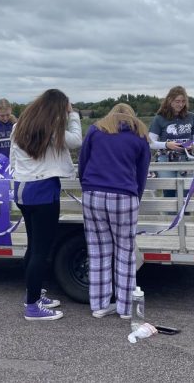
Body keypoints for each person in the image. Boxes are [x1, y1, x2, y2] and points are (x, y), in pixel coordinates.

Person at [10, 88, 82, 321]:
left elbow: (12, 159)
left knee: (33, 246)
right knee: (41, 250)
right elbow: (76, 140)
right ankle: (32, 307)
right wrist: (73, 115)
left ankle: (33, 293)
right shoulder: (51, 129)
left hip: (22, 188)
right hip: (43, 191)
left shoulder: (18, 126)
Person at [77, 103, 151, 319]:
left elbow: (83, 163)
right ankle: (126, 308)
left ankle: (99, 305)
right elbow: (142, 172)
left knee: (98, 251)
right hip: (124, 196)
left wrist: (88, 186)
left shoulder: (95, 130)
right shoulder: (140, 135)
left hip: (93, 194)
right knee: (125, 252)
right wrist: (136, 195)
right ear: (131, 117)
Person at [148, 86, 194, 198]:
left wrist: (192, 144)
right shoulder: (159, 119)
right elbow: (150, 142)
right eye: (177, 101)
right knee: (169, 193)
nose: (180, 104)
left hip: (187, 158)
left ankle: (185, 215)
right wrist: (167, 145)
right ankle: (170, 215)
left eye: (183, 101)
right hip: (166, 160)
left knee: (186, 193)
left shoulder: (191, 117)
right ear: (170, 101)